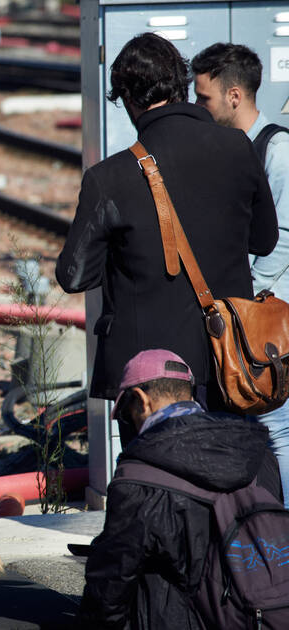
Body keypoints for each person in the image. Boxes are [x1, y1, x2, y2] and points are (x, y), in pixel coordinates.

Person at [57, 33, 277, 410]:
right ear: (182, 86)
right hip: (231, 361)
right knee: (230, 465)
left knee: (159, 467)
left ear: (128, 99)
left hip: (151, 378)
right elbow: (263, 240)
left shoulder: (108, 177)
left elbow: (74, 276)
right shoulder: (238, 147)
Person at [79, 349, 283, 629]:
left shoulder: (139, 475)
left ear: (141, 400)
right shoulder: (257, 452)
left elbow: (112, 580)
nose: (130, 425)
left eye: (127, 415)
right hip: (264, 614)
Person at [191, 42, 289, 506]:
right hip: (244, 319)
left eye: (204, 97)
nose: (197, 106)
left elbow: (283, 241)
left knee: (275, 429)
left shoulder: (278, 150)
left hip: (266, 324)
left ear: (234, 96)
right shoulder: (231, 150)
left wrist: (245, 302)